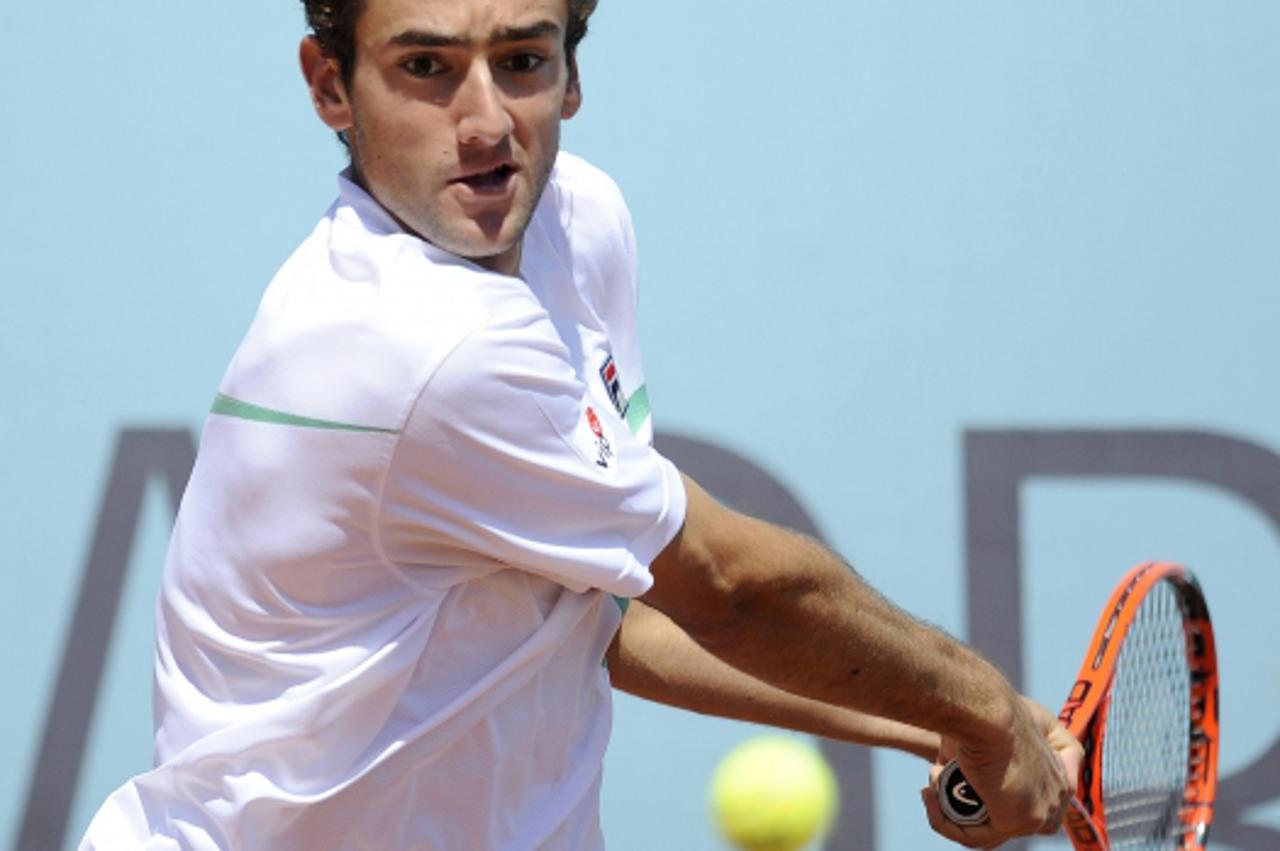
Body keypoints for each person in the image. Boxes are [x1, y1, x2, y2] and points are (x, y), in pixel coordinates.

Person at [81, 0, 1080, 848]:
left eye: (520, 60)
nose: (484, 125)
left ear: (569, 76)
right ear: (330, 86)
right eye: (425, 68)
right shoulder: (419, 344)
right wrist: (980, 707)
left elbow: (607, 611)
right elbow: (730, 586)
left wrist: (935, 726)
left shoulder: (575, 221)